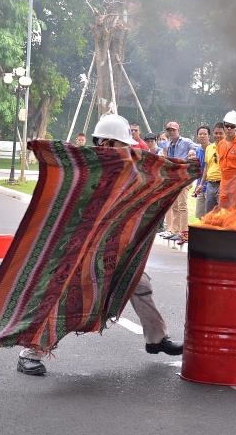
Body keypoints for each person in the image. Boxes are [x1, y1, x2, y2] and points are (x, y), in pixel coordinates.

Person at [17, 114, 184, 376]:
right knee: (63, 294)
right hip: (79, 247)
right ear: (106, 143)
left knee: (139, 281)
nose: (128, 150)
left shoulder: (126, 168)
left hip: (110, 246)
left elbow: (153, 177)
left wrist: (185, 171)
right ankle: (31, 351)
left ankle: (156, 339)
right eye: (122, 145)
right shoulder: (84, 167)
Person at [164, 121, 197, 241]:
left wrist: (191, 153)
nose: (171, 132)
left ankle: (185, 233)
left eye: (174, 130)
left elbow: (197, 148)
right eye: (169, 130)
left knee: (182, 205)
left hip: (185, 177)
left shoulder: (186, 142)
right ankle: (176, 231)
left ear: (179, 130)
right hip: (174, 179)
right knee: (175, 206)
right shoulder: (170, 146)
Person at [194, 123, 223, 215]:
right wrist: (201, 184)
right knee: (209, 213)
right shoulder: (209, 148)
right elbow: (207, 167)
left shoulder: (228, 147)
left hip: (222, 183)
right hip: (210, 184)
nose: (218, 136)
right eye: (216, 133)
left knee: (222, 212)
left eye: (221, 133)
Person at [193, 126, 211, 219]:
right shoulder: (197, 150)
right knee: (199, 216)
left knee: (209, 215)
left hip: (211, 187)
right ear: (197, 136)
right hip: (200, 187)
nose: (202, 136)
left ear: (209, 136)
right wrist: (197, 186)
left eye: (205, 134)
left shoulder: (213, 149)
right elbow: (199, 170)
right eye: (200, 134)